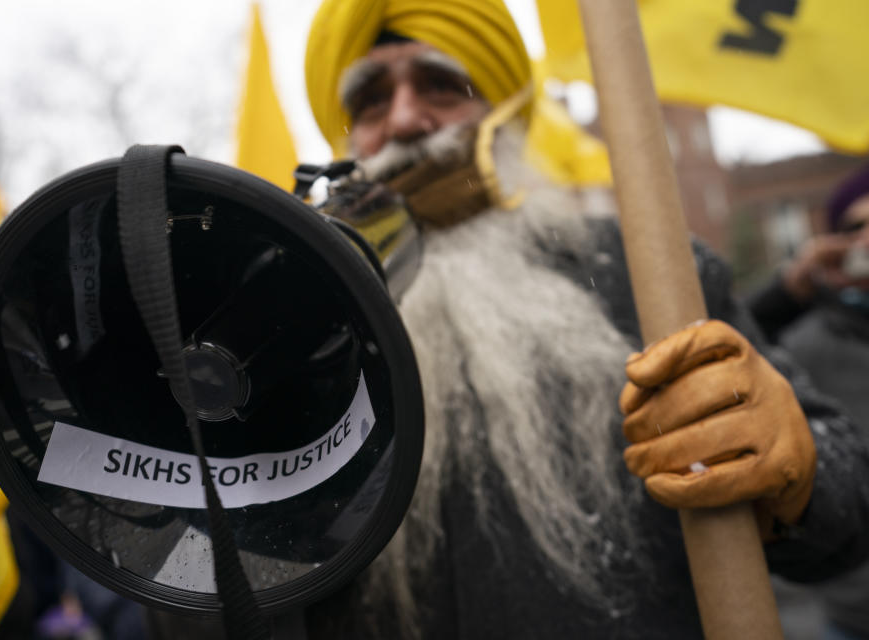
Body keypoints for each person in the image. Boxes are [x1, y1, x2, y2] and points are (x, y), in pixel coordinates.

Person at [293, 1, 869, 639]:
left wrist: (799, 470)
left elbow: (850, 511)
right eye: (371, 101)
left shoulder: (648, 270)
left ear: (505, 106)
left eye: (440, 85)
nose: (405, 119)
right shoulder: (301, 327)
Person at [748, 164, 869, 640]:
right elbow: (732, 348)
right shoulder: (806, 338)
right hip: (851, 610)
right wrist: (790, 290)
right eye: (855, 228)